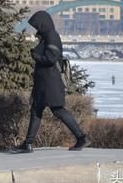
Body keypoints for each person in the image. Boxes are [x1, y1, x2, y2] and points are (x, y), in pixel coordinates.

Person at [12, 10, 90, 153]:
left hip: (50, 82)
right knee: (36, 110)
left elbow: (51, 58)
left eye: (37, 26)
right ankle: (28, 143)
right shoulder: (47, 36)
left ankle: (81, 137)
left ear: (42, 24)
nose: (36, 29)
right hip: (44, 83)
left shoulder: (52, 36)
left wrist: (35, 55)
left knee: (58, 110)